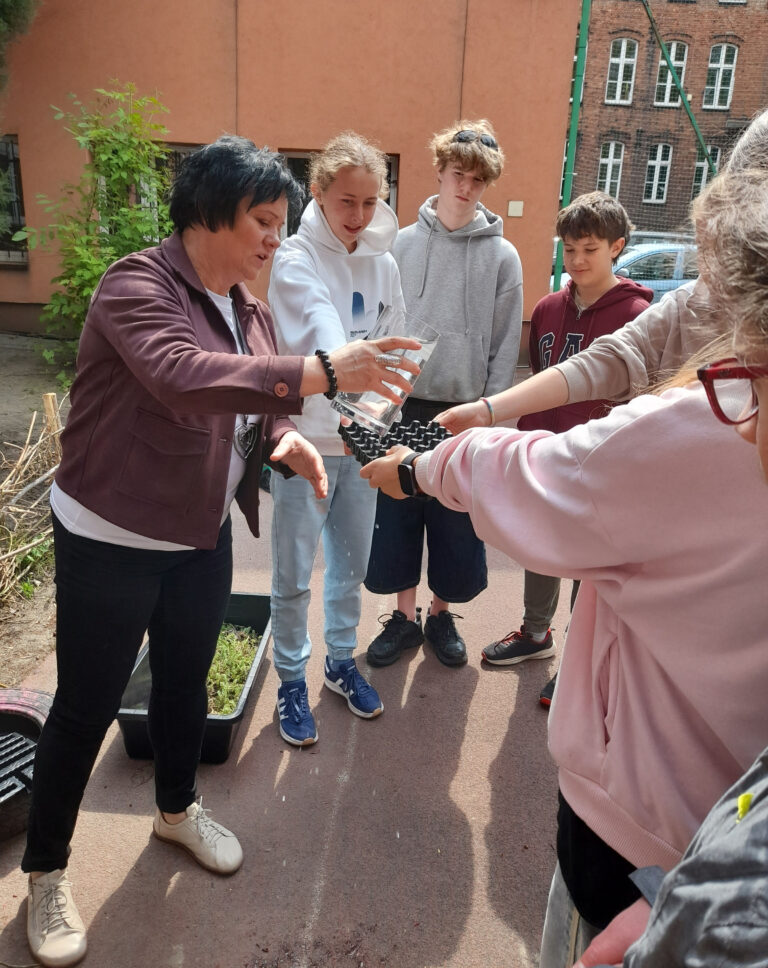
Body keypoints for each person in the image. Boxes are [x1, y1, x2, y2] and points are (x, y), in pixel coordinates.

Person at [21, 135, 421, 968]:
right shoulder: (137, 285)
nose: (275, 238)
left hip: (198, 534)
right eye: (263, 220)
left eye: (281, 222)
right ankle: (47, 872)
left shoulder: (248, 306)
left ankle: (176, 811)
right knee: (86, 705)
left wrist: (283, 440)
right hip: (112, 536)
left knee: (184, 683)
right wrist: (321, 372)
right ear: (208, 213)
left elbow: (250, 410)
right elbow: (182, 375)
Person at [360, 165, 768, 968]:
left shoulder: (715, 423)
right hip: (731, 816)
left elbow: (555, 479)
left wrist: (419, 466)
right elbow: (620, 357)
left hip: (640, 814)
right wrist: (487, 411)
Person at [571, 166, 768, 968]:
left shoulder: (688, 426)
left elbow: (559, 481)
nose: (745, 423)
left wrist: (694, 901)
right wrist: (683, 892)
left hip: (646, 823)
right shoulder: (681, 319)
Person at [364, 119, 523, 669]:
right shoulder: (401, 245)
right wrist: (375, 401)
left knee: (456, 523)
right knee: (398, 518)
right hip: (402, 405)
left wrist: (491, 413)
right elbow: (382, 324)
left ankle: (440, 614)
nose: (466, 187)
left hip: (465, 410)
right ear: (439, 170)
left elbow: (505, 343)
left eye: (478, 179)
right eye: (458, 174)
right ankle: (403, 618)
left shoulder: (503, 257)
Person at [475, 192, 651, 681]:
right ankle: (536, 634)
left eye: (589, 249)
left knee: (590, 561)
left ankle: (578, 658)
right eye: (569, 249)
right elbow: (540, 372)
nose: (577, 260)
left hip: (600, 459)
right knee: (543, 543)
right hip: (546, 453)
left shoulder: (637, 313)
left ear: (616, 247)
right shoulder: (548, 308)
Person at [267, 131, 405, 746]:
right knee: (294, 572)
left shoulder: (385, 260)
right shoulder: (295, 257)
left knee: (352, 564)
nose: (359, 215)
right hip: (306, 442)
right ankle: (291, 680)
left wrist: (382, 408)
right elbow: (320, 320)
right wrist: (347, 365)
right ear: (318, 192)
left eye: (371, 202)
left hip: (363, 440)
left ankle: (341, 661)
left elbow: (398, 341)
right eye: (347, 200)